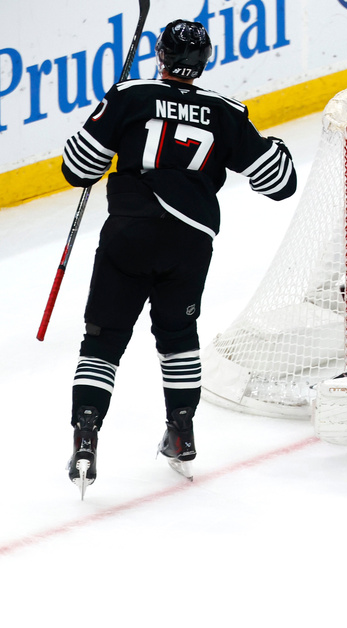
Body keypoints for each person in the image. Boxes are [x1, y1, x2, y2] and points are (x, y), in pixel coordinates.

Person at [61, 20, 297, 497]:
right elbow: (280, 184)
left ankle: (86, 436)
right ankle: (182, 433)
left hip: (128, 233)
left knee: (102, 340)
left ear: (160, 55)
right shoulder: (225, 111)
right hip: (190, 243)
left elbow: (76, 169)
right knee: (178, 337)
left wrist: (112, 119)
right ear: (205, 61)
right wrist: (279, 148)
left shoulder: (130, 94)